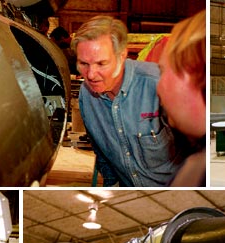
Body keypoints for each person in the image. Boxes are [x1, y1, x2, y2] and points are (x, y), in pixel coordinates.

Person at [73, 16, 184, 187]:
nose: (91, 74)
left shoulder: (160, 85)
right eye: (84, 63)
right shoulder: (87, 95)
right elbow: (102, 153)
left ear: (122, 55)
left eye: (101, 63)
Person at [156, 10, 205, 187]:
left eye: (161, 71)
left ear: (190, 71)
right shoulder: (197, 165)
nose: (158, 86)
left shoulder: (198, 170)